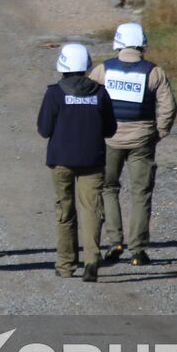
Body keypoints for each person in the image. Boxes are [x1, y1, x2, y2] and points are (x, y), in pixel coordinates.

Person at [89, 22, 177, 266]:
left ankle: (114, 240)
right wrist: (158, 132)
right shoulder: (154, 72)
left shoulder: (102, 70)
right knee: (141, 193)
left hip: (109, 140)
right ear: (142, 44)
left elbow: (89, 102)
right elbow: (169, 106)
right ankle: (138, 250)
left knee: (108, 189)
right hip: (142, 140)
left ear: (118, 43)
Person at [38, 44, 117, 282]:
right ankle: (92, 260)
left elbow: (44, 129)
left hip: (61, 160)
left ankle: (65, 264)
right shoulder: (100, 93)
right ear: (86, 66)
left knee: (65, 211)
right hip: (92, 160)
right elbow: (110, 129)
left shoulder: (54, 93)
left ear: (62, 66)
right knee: (92, 209)